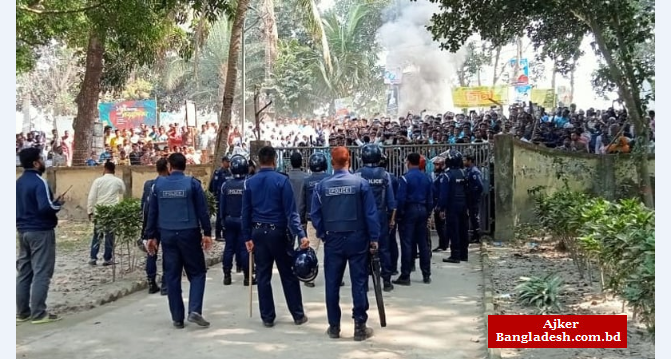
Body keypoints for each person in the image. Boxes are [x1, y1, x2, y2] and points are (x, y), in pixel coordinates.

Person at [310, 146, 380, 341]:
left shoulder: (322, 186)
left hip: (333, 239)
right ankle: (359, 327)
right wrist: (374, 238)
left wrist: (323, 233)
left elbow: (314, 214)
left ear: (332, 163)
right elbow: (370, 214)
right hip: (358, 239)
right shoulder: (361, 184)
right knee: (358, 282)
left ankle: (334, 327)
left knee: (332, 284)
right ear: (349, 161)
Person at [241, 145, 309, 328]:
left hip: (258, 233)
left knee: (263, 275)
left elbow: (245, 212)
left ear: (259, 161)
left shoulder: (250, 183)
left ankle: (267, 317)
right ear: (274, 160)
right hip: (278, 233)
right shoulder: (282, 181)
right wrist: (301, 235)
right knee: (288, 274)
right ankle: (297, 314)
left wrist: (247, 237)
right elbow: (291, 212)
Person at [145, 153, 213, 329]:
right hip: (189, 233)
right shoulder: (192, 184)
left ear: (169, 166)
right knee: (197, 273)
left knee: (172, 275)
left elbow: (152, 212)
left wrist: (151, 236)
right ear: (185, 165)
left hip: (167, 234)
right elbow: (202, 210)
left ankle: (177, 317)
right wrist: (207, 232)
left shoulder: (157, 185)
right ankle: (194, 309)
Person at [16, 147, 65, 324]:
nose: (44, 161)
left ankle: (22, 312)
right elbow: (45, 207)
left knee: (24, 272)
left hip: (22, 230)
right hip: (40, 231)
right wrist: (58, 204)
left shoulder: (19, 182)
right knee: (42, 271)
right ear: (36, 163)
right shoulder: (39, 182)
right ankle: (39, 313)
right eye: (42, 159)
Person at [355, 144, 396, 292]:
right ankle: (386, 281)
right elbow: (391, 201)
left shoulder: (358, 174)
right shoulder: (384, 175)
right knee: (384, 248)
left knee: (362, 249)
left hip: (362, 217)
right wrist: (392, 219)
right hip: (380, 216)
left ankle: (364, 283)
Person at [393, 153, 433, 286]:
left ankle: (406, 275)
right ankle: (426, 274)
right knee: (423, 243)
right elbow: (430, 198)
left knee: (407, 243)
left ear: (408, 162)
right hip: (422, 209)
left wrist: (399, 215)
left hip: (409, 211)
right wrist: (428, 212)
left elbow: (401, 199)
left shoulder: (405, 178)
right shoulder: (426, 178)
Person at [217, 155, 255, 286]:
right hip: (243, 221)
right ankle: (247, 277)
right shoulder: (248, 184)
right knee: (245, 248)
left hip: (229, 220)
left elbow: (221, 206)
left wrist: (222, 221)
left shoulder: (225, 185)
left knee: (229, 248)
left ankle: (226, 275)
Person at [87, 161, 126, 266]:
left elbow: (91, 197)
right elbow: (123, 191)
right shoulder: (118, 181)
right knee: (110, 235)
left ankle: (93, 258)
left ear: (104, 169)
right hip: (112, 211)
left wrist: (90, 211)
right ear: (114, 169)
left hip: (100, 211)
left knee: (97, 235)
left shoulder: (98, 181)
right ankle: (107, 258)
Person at [301, 152, 331, 288]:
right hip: (329, 220)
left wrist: (302, 219)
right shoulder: (330, 179)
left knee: (312, 248)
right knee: (331, 249)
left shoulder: (307, 181)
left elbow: (302, 202)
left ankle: (309, 277)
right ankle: (335, 277)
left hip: (312, 219)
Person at [141, 158, 169, 295]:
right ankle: (165, 284)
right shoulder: (168, 185)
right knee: (168, 254)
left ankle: (151, 282)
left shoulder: (148, 185)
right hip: (165, 224)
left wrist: (146, 229)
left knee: (151, 254)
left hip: (151, 225)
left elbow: (144, 207)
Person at [437, 149, 470, 263]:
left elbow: (443, 194)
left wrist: (441, 208)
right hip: (463, 204)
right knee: (463, 229)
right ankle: (464, 254)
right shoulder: (464, 173)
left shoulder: (447, 175)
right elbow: (467, 190)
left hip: (452, 206)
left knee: (453, 229)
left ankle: (455, 254)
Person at [379, 154, 400, 276]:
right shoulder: (392, 177)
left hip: (380, 213)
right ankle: (392, 268)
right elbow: (395, 200)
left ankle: (371, 268)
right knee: (390, 242)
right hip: (389, 213)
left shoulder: (363, 175)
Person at [287, 151, 309, 247]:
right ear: (301, 162)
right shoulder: (306, 178)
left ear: (291, 163)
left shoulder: (285, 178)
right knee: (303, 246)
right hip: (302, 216)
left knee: (288, 246)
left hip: (288, 215)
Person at [464, 154, 484, 244]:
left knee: (474, 217)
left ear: (470, 161)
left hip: (473, 198)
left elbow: (480, 186)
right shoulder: (468, 171)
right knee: (472, 217)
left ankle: (477, 236)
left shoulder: (474, 171)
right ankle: (474, 235)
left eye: (465, 160)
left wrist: (474, 194)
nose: (464, 162)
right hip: (469, 198)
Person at [431, 157, 448, 251]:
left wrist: (440, 206)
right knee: (439, 225)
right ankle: (442, 243)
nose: (435, 166)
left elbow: (442, 192)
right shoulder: (437, 175)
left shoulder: (442, 177)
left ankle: (444, 244)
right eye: (435, 164)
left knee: (441, 225)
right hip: (436, 202)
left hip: (440, 203)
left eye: (437, 165)